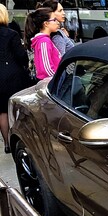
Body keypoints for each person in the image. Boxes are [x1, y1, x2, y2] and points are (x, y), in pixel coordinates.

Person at [0, 4, 29, 153]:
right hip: (12, 76)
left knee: (2, 112)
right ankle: (20, 140)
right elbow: (21, 56)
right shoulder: (11, 33)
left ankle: (6, 143)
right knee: (16, 108)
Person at [24, 7, 62, 79]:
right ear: (46, 23)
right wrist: (57, 79)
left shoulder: (45, 40)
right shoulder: (44, 41)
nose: (58, 22)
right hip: (51, 82)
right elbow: (46, 69)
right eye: (54, 20)